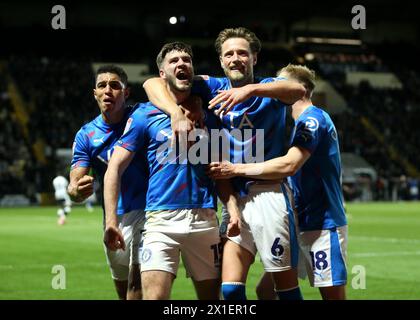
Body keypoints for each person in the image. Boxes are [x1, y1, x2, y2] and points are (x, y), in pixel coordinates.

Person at [143, 27, 306, 300]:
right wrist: (176, 112)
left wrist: (251, 90)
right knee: (229, 291)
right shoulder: (212, 87)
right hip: (232, 196)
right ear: (221, 61)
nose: (235, 58)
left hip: (269, 195)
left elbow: (298, 89)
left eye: (242, 53)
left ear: (255, 57)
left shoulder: (269, 89)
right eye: (228, 54)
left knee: (285, 289)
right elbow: (152, 83)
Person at [104, 42, 241, 300]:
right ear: (162, 73)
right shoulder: (145, 114)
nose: (182, 64)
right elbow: (114, 168)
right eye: (174, 61)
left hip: (204, 219)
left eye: (187, 60)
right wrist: (111, 221)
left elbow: (219, 170)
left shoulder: (211, 114)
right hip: (160, 221)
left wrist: (232, 209)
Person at [208, 64, 348, 300]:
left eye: (275, 84)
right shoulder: (296, 125)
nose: (270, 90)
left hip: (321, 222)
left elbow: (289, 165)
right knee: (265, 290)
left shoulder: (312, 119)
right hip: (299, 218)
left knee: (332, 296)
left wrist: (235, 169)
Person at [67, 65, 148, 300]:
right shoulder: (86, 135)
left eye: (115, 85)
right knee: (123, 293)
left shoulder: (142, 118)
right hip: (113, 219)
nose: (108, 91)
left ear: (126, 92)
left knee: (137, 289)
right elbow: (76, 180)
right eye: (102, 85)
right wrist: (75, 190)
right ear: (94, 93)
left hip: (148, 213)